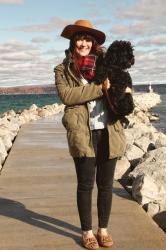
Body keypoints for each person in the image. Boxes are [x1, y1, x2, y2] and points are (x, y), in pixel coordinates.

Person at [54, 20, 126, 250]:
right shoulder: (62, 69)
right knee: (85, 185)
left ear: (93, 43)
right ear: (73, 42)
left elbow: (120, 87)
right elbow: (68, 96)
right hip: (82, 133)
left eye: (87, 39)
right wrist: (100, 88)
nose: (83, 43)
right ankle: (86, 232)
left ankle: (102, 229)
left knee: (105, 185)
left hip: (109, 130)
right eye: (79, 39)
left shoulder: (107, 66)